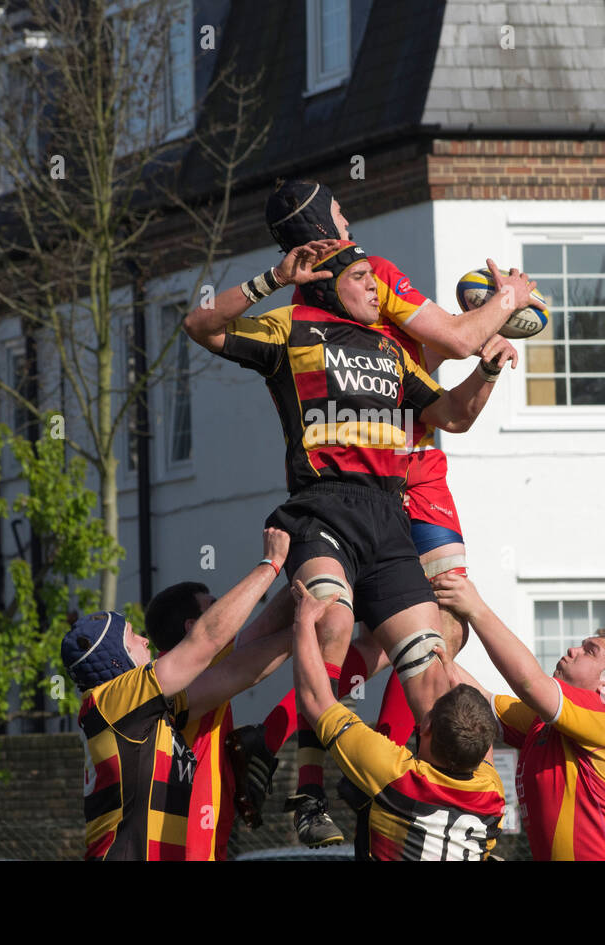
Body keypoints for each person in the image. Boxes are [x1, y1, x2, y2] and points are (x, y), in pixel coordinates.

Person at [184, 238, 509, 845]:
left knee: (433, 666)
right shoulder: (291, 326)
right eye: (362, 278)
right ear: (330, 284)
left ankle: (455, 816)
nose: (374, 288)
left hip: (387, 519)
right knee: (331, 620)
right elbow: (201, 325)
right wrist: (272, 278)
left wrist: (486, 371)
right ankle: (308, 793)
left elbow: (453, 416)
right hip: (320, 509)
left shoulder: (390, 346)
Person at [61, 528, 292, 861]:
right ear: (113, 658)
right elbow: (206, 640)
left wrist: (310, 620)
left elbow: (237, 671)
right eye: (131, 635)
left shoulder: (144, 714)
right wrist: (271, 563)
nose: (144, 641)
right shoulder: (113, 698)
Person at [434, 572, 605, 861]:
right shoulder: (543, 724)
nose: (573, 649)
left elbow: (530, 683)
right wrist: (430, 648)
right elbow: (479, 699)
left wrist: (476, 608)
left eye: (590, 651)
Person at [291, 581, 506, 860]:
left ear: (426, 726)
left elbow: (315, 699)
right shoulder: (492, 796)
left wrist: (304, 621)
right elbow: (483, 741)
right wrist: (451, 677)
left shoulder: (395, 774)